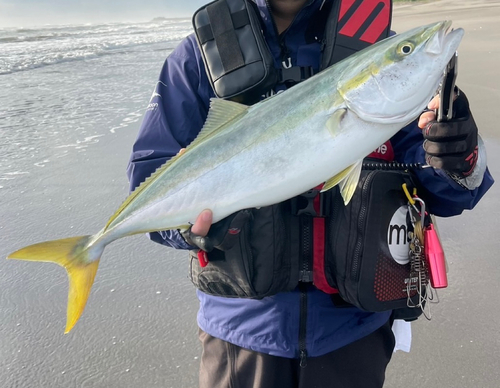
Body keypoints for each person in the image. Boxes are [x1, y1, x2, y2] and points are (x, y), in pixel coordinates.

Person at [127, 0, 494, 387]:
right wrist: (190, 230)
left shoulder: (376, 52)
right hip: (241, 333)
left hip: (353, 329)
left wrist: (457, 155)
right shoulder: (199, 55)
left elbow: (444, 192)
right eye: (406, 51)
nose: (409, 52)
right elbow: (150, 174)